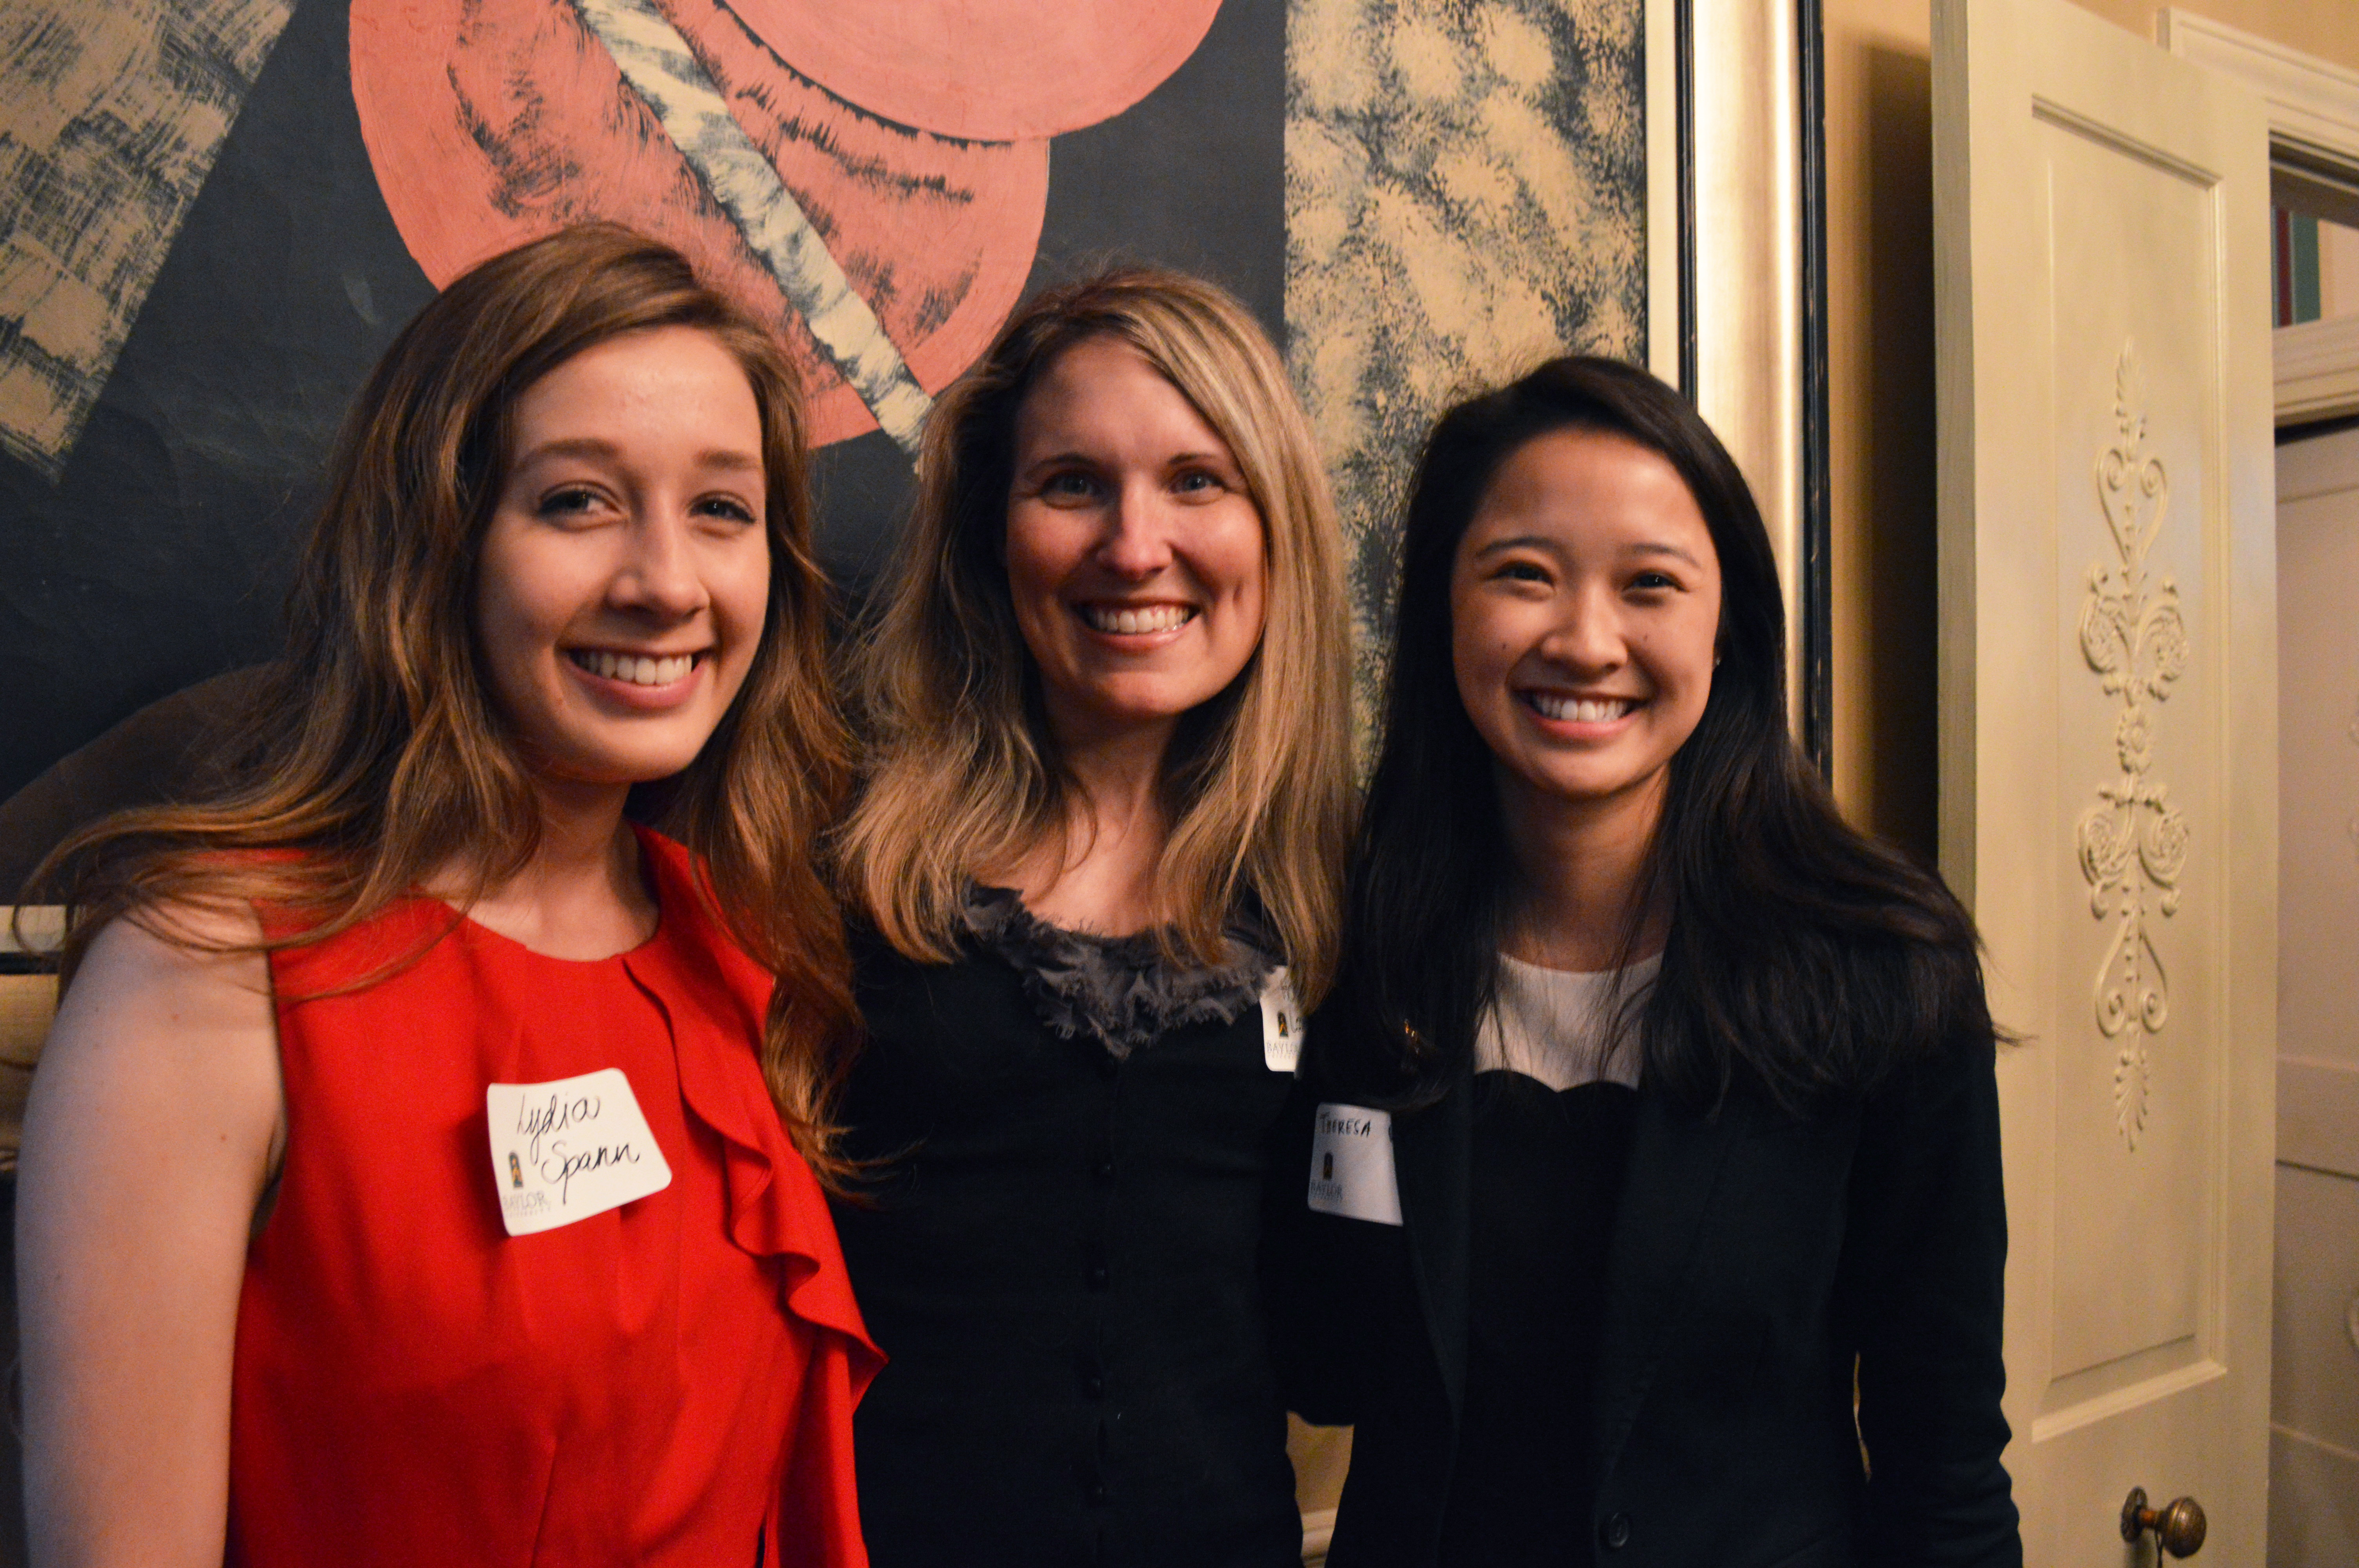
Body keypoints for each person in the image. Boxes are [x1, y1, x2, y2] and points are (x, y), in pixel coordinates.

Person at [16, 225, 879, 1568]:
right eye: (578, 500)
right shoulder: (206, 971)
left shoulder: (733, 942)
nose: (665, 583)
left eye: (722, 508)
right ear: (440, 540)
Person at [1269, 357, 2019, 1566]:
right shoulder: (1344, 945)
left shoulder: (1883, 971)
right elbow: (1319, 1362)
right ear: (1443, 613)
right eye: (1523, 575)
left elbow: (1946, 1464)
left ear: (1727, 633)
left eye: (1651, 585)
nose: (1585, 639)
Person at [829, 267, 1355, 1567]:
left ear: (1273, 524)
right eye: (1073, 484)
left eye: (1196, 480)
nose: (1135, 546)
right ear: (989, 533)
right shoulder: (839, 873)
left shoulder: (1337, 892)